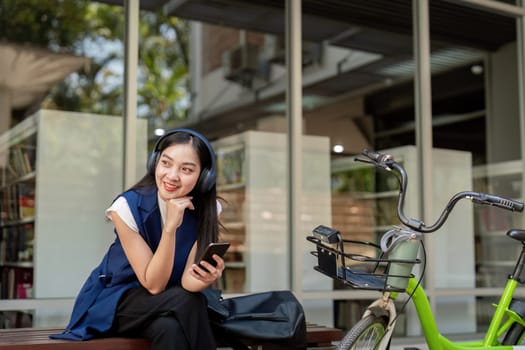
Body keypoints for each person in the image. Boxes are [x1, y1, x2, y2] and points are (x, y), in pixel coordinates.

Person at [51, 128, 223, 350]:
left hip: (169, 304)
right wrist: (170, 228)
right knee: (189, 301)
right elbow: (154, 285)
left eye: (186, 169)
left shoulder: (208, 210)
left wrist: (206, 277)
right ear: (154, 163)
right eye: (166, 163)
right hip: (115, 302)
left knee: (171, 329)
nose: (172, 175)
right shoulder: (125, 207)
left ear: (204, 177)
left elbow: (187, 283)